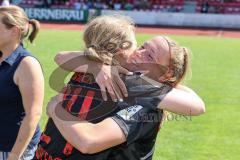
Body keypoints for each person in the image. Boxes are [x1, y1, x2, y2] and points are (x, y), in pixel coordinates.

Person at [34, 15, 204, 160]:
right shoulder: (97, 67)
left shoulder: (140, 88)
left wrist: (56, 108)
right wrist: (95, 65)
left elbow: (196, 106)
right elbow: (61, 57)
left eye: (150, 54)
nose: (139, 52)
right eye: (142, 46)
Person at [0, 5, 44, 160]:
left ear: (14, 31)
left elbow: (33, 115)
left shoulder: (26, 64)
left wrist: (14, 156)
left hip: (12, 149)